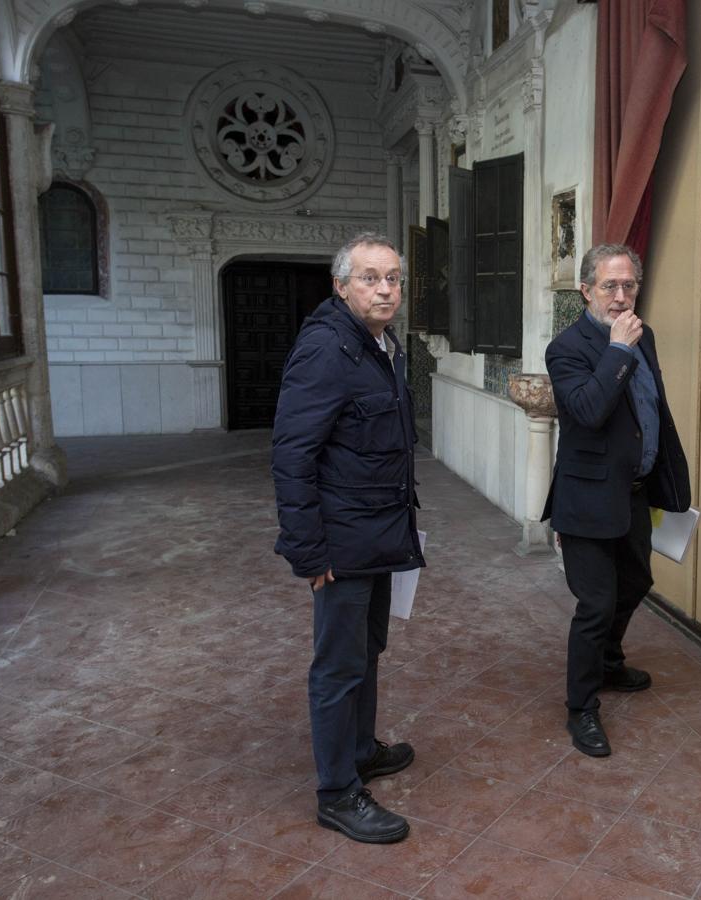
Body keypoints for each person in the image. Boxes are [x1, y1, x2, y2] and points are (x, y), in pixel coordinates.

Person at [272, 232, 423, 844]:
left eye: (393, 278)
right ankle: (337, 791)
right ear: (341, 286)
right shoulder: (327, 349)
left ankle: (361, 750)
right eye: (369, 277)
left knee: (367, 652)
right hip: (340, 544)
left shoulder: (379, 345)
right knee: (337, 668)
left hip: (379, 534)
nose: (385, 288)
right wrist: (309, 551)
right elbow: (291, 455)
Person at [542, 243, 692, 757]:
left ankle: (607, 663)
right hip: (585, 499)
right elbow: (587, 410)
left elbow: (651, 408)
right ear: (586, 291)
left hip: (633, 493)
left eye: (630, 285)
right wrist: (618, 351)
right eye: (610, 286)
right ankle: (581, 707)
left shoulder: (642, 336)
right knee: (596, 603)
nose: (622, 296)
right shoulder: (567, 348)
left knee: (636, 582)